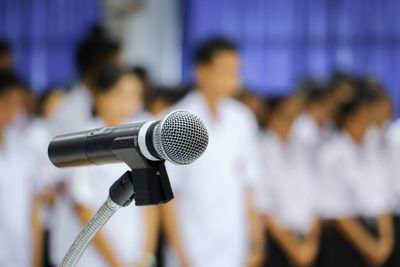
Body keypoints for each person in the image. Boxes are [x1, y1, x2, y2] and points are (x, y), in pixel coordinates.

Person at [161, 37, 264, 267]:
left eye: (236, 71)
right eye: (225, 70)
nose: (233, 78)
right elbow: (167, 196)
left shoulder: (242, 118)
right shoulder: (178, 120)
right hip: (192, 248)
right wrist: (181, 255)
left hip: (235, 247)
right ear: (201, 71)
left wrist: (256, 242)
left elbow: (249, 185)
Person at [50, 64, 158, 267]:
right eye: (122, 93)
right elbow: (83, 207)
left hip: (133, 255)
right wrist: (117, 264)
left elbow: (150, 206)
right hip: (89, 258)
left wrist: (146, 256)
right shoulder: (83, 141)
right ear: (100, 96)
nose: (131, 102)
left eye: (136, 94)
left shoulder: (143, 139)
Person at [317, 89, 394, 267]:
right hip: (347, 238)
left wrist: (386, 241)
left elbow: (382, 197)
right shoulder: (332, 153)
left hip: (377, 230)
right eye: (362, 117)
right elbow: (337, 210)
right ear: (348, 119)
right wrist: (368, 246)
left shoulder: (374, 147)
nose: (367, 123)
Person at [256, 95, 321, 267]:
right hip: (277, 241)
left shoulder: (302, 149)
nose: (291, 124)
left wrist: (311, 241)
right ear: (272, 117)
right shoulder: (260, 151)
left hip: (306, 237)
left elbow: (313, 198)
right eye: (286, 116)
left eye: (295, 117)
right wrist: (292, 247)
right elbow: (263, 206)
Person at [0, 70, 43, 267]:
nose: (12, 111)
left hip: (21, 256)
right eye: (6, 102)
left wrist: (35, 260)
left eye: (18, 104)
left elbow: (34, 209)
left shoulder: (23, 148)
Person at [292, 81, 335, 166]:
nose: (329, 110)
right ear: (313, 105)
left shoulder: (329, 126)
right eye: (325, 105)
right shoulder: (301, 127)